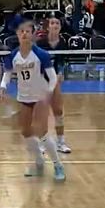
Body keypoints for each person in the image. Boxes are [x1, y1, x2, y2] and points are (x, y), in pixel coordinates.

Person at [2, 20, 65, 182]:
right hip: (24, 97)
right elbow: (7, 73)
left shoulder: (41, 54)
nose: (24, 34)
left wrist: (48, 93)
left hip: (40, 97)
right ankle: (39, 162)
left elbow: (52, 78)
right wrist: (3, 86)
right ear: (17, 34)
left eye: (27, 31)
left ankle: (58, 165)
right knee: (25, 131)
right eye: (21, 31)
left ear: (33, 34)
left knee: (41, 131)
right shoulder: (13, 55)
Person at [36, 15, 72, 154]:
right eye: (52, 23)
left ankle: (61, 143)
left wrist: (60, 72)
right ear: (48, 26)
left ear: (60, 27)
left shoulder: (63, 43)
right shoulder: (40, 43)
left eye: (57, 23)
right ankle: (41, 143)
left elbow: (62, 61)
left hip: (54, 80)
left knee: (58, 111)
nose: (55, 25)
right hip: (41, 80)